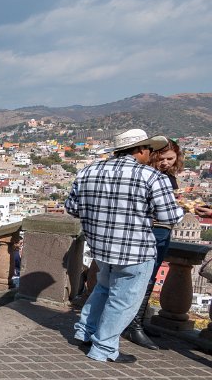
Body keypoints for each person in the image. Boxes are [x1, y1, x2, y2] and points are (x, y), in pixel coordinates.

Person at [66, 129, 183, 364]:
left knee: (102, 289)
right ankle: (104, 348)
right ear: (139, 149)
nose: (151, 154)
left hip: (100, 247)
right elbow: (170, 216)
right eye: (149, 149)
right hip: (135, 249)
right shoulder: (151, 177)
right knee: (124, 299)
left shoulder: (89, 171)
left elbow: (72, 207)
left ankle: (85, 331)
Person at [122, 138, 185, 350]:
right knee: (143, 276)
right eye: (162, 158)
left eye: (170, 159)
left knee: (150, 276)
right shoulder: (149, 176)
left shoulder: (168, 177)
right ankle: (134, 324)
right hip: (151, 230)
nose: (165, 162)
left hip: (163, 231)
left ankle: (137, 321)